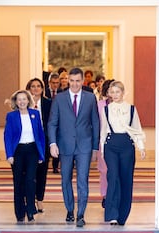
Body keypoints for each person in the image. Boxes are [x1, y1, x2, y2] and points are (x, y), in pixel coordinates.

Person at [47, 67, 100, 227]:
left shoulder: (90, 98)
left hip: (85, 146)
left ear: (82, 81)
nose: (75, 84)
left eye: (78, 81)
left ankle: (81, 214)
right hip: (65, 145)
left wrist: (95, 147)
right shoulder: (59, 99)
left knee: (83, 180)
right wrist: (52, 143)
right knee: (65, 180)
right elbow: (52, 122)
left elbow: (95, 123)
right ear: (67, 80)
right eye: (72, 81)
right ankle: (70, 210)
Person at [99, 81, 146, 226]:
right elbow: (104, 130)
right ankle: (112, 214)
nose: (114, 95)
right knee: (113, 176)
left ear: (123, 92)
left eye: (117, 92)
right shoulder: (106, 109)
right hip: (111, 144)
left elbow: (136, 128)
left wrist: (141, 146)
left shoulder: (131, 109)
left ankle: (122, 215)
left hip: (127, 145)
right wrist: (101, 149)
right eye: (112, 92)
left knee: (126, 178)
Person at [3, 90, 46, 224]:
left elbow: (40, 135)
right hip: (18, 151)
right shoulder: (11, 116)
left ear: (28, 101)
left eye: (24, 99)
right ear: (15, 102)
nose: (22, 101)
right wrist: (9, 154)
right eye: (19, 99)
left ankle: (30, 210)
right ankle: (20, 213)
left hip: (32, 150)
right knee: (18, 182)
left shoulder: (35, 114)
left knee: (30, 180)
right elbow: (8, 136)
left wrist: (41, 154)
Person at [25, 78, 52, 213]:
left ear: (42, 89)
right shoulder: (24, 103)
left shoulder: (48, 103)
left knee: (42, 172)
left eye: (38, 86)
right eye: (32, 86)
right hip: (28, 142)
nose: (35, 89)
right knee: (29, 172)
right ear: (29, 89)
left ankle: (39, 200)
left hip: (43, 142)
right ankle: (29, 200)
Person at [96, 79, 114, 209]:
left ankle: (114, 195)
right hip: (102, 142)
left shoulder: (123, 105)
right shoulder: (99, 105)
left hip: (117, 141)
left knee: (116, 170)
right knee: (104, 170)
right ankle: (105, 195)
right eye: (109, 90)